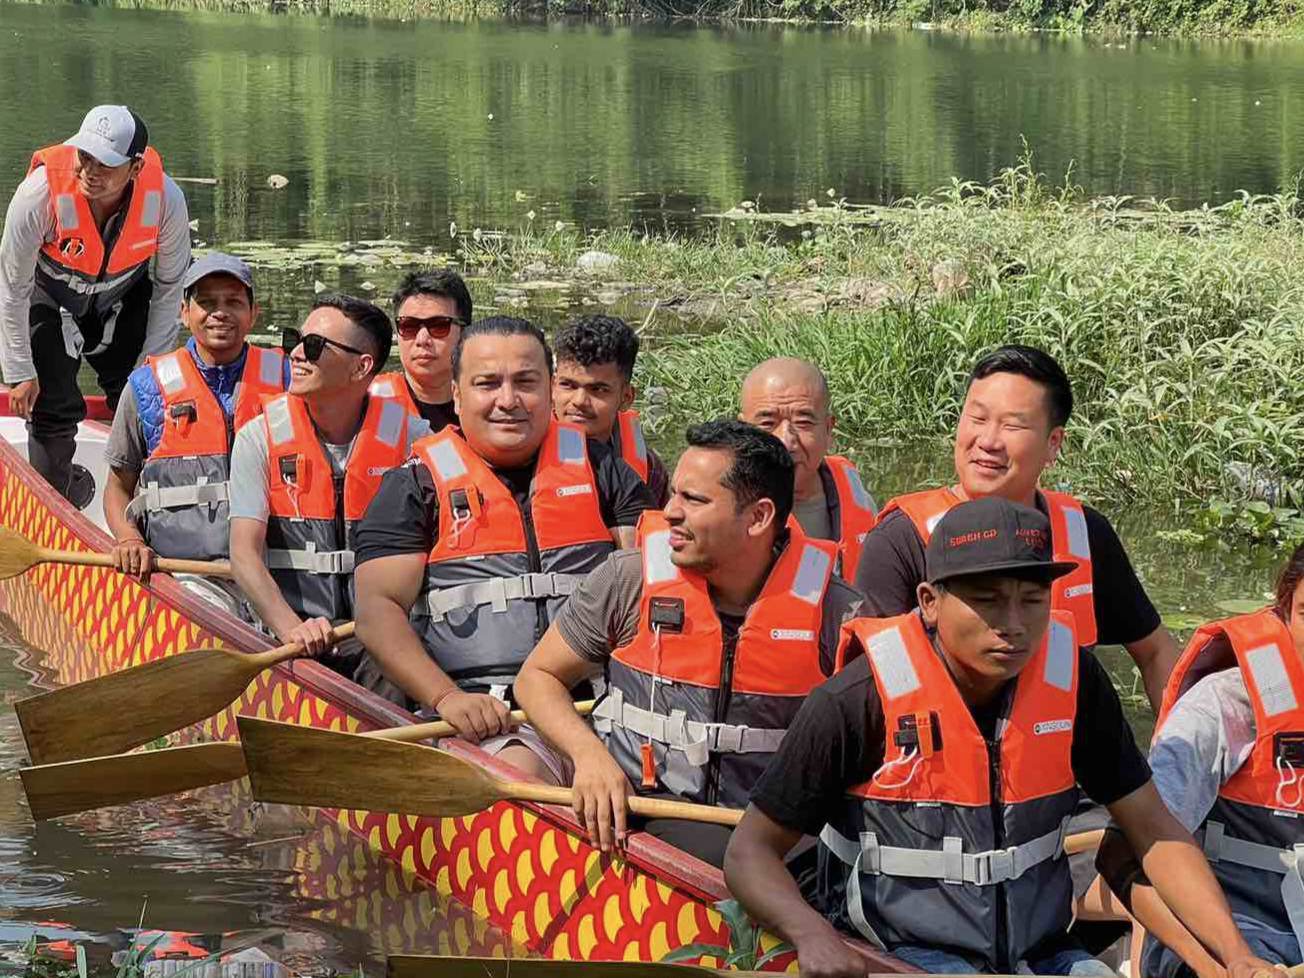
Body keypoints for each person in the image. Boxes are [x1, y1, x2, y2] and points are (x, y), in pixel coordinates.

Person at [723, 497, 1281, 978]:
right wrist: (811, 933)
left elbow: (1153, 830)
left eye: (1032, 599)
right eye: (987, 600)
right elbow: (749, 853)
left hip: (1043, 955)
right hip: (898, 955)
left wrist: (1236, 957)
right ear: (929, 601)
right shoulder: (857, 699)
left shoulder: (1075, 679)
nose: (1013, 623)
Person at [513, 419, 865, 867]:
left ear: (759, 518)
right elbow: (536, 678)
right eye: (674, 493)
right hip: (646, 811)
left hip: (773, 830)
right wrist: (589, 757)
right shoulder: (627, 579)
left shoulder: (842, 613)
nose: (670, 512)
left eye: (694, 500)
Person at [352, 316, 653, 782]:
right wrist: (448, 699)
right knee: (520, 772)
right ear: (455, 394)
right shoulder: (414, 487)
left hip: (607, 705)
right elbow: (377, 611)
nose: (508, 401)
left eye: (526, 383)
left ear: (549, 390)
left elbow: (651, 585)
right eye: (487, 384)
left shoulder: (605, 472)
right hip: (493, 717)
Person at [853, 344, 1177, 712]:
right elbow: (869, 685)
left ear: (1053, 444)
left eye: (1012, 425)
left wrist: (1176, 755)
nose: (988, 442)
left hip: (1049, 757)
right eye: (976, 419)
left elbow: (1155, 652)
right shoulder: (901, 538)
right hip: (935, 760)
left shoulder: (1085, 532)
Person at [1097, 545, 1304, 978]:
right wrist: (1228, 965)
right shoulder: (1226, 704)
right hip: (1235, 933)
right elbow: (1123, 853)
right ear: (1284, 610)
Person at [228, 293, 428, 691]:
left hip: (381, 634)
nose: (297, 355)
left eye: (315, 346)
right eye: (294, 341)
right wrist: (290, 628)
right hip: (291, 633)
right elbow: (243, 553)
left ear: (361, 367)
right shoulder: (259, 438)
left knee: (393, 677)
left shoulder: (414, 441)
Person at [0, 105, 191, 502]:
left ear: (136, 168)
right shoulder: (39, 194)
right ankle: (54, 504)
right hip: (51, 296)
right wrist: (18, 369)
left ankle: (142, 507)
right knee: (51, 406)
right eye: (84, 156)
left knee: (143, 399)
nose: (90, 170)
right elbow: (12, 285)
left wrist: (151, 366)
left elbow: (172, 285)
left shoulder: (166, 200)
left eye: (106, 163)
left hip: (123, 297)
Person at [101, 253, 287, 608]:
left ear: (253, 314)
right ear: (184, 313)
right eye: (206, 302)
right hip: (189, 574)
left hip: (278, 572)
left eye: (233, 302)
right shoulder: (146, 387)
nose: (220, 313)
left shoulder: (289, 379)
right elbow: (117, 487)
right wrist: (128, 539)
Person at [739, 357, 877, 576]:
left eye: (803, 423)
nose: (786, 441)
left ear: (828, 429)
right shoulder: (721, 511)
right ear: (743, 431)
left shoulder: (861, 503)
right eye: (767, 424)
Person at [552, 315, 670, 507]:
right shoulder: (522, 452)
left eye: (598, 389)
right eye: (568, 385)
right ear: (552, 387)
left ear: (626, 398)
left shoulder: (650, 470)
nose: (579, 401)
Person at [370, 269, 470, 431]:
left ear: (465, 334)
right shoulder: (363, 404)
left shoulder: (490, 407)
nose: (422, 340)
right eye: (409, 326)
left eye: (439, 325)